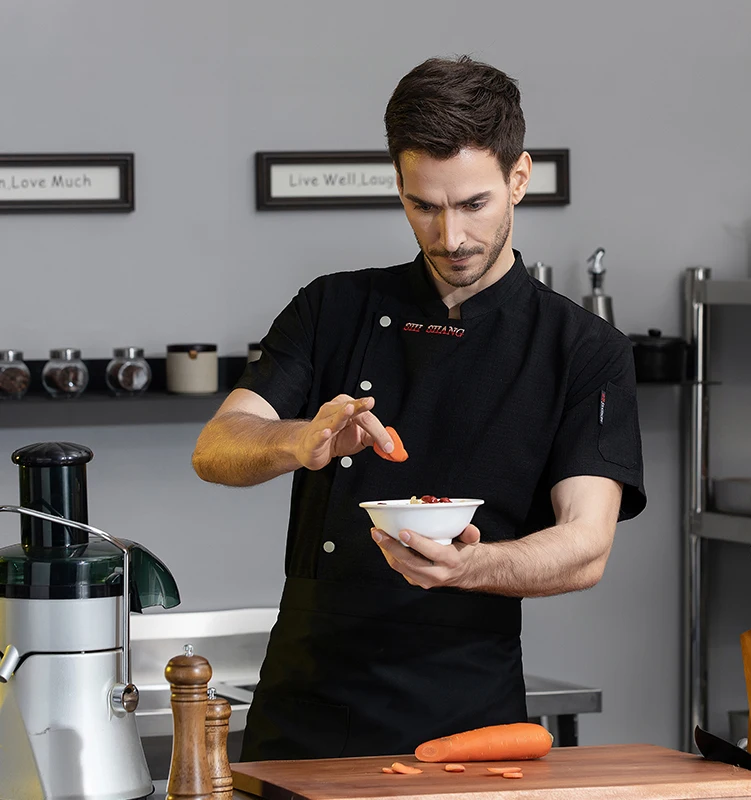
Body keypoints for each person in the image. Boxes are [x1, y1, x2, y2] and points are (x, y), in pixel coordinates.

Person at [192, 54, 646, 761]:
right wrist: (298, 443)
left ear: (518, 178)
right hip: (302, 719)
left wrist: (469, 569)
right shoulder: (333, 307)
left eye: (473, 205)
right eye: (423, 207)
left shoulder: (583, 349)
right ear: (400, 187)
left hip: (468, 725)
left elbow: (586, 546)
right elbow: (215, 447)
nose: (450, 237)